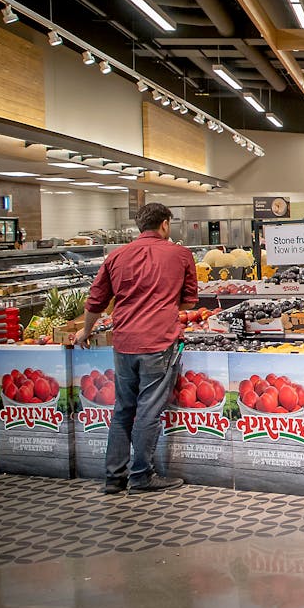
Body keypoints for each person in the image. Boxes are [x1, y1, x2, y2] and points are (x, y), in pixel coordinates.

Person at [74, 203, 198, 495]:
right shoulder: (180, 255)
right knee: (148, 411)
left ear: (139, 226)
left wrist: (86, 330)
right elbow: (190, 302)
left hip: (124, 342)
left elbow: (95, 302)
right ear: (165, 224)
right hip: (158, 342)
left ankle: (113, 478)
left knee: (123, 409)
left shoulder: (116, 255)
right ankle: (142, 476)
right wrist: (163, 305)